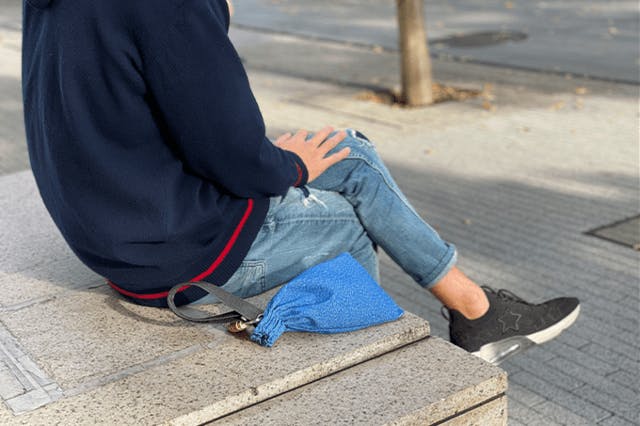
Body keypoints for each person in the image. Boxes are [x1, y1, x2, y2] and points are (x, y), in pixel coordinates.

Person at [21, 0, 579, 364]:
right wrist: (289, 168)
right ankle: (376, 374)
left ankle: (475, 309)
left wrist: (279, 160)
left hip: (120, 230)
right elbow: (231, 151)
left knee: (351, 152)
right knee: (348, 222)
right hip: (179, 253)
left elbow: (156, 117)